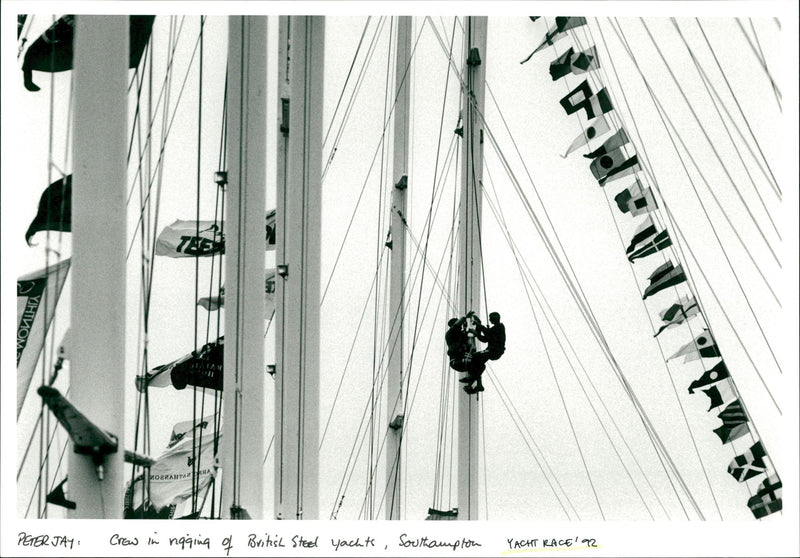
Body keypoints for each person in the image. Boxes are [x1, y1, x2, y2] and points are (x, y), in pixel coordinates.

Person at [463, 312, 505, 394]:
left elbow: (488, 333)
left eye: (490, 318)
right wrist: (477, 332)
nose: (489, 319)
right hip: (493, 352)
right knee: (478, 363)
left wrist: (479, 326)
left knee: (475, 356)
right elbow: (485, 339)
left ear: (494, 319)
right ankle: (477, 385)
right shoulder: (496, 329)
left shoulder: (499, 327)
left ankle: (473, 379)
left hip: (493, 351)